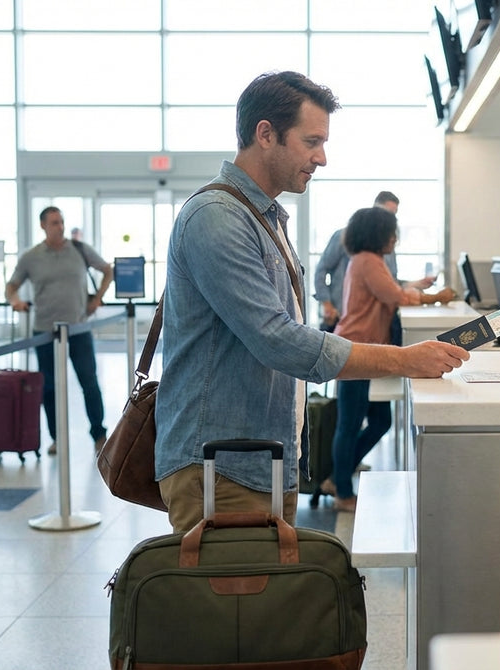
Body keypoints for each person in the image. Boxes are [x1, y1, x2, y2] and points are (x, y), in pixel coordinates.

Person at [155, 71, 468, 533]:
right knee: (235, 605)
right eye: (312, 142)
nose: (321, 157)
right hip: (220, 465)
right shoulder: (218, 218)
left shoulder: (263, 217)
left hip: (260, 457)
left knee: (266, 603)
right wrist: (405, 360)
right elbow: (278, 341)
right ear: (266, 134)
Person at [322, 207, 457, 512]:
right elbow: (395, 296)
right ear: (377, 234)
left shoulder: (369, 260)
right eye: (391, 232)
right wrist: (435, 297)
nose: (395, 239)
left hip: (364, 348)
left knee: (380, 420)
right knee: (350, 422)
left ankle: (337, 476)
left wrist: (418, 290)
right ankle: (341, 491)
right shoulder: (368, 261)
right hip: (354, 350)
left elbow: (394, 290)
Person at [6, 206, 113, 456]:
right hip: (45, 333)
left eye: (62, 222)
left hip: (78, 330)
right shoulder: (30, 257)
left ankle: (99, 435)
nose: (60, 227)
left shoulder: (79, 250)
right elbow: (11, 285)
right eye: (54, 222)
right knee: (49, 388)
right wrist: (15, 301)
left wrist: (97, 298)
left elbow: (108, 270)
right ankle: (56, 438)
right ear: (43, 225)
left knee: (89, 382)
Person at [313, 191, 435, 334]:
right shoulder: (367, 259)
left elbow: (388, 284)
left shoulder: (378, 252)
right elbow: (396, 295)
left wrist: (417, 283)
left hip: (368, 325)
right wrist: (327, 304)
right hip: (347, 321)